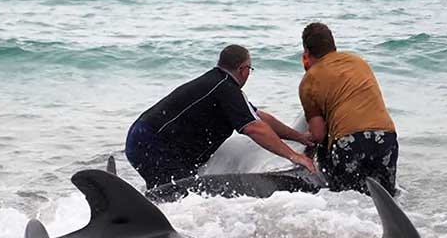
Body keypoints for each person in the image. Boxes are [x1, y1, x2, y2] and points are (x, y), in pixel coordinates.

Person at [126, 44, 315, 189]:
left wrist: (299, 137)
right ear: (243, 69)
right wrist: (294, 156)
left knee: (173, 191)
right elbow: (254, 128)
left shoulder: (220, 85)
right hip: (152, 142)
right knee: (178, 194)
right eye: (250, 69)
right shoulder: (225, 88)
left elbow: (259, 118)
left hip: (143, 138)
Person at [298, 22, 398, 195]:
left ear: (306, 53)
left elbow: (319, 135)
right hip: (386, 136)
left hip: (350, 141)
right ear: (333, 46)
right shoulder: (359, 62)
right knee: (384, 201)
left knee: (348, 200)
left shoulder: (309, 81)